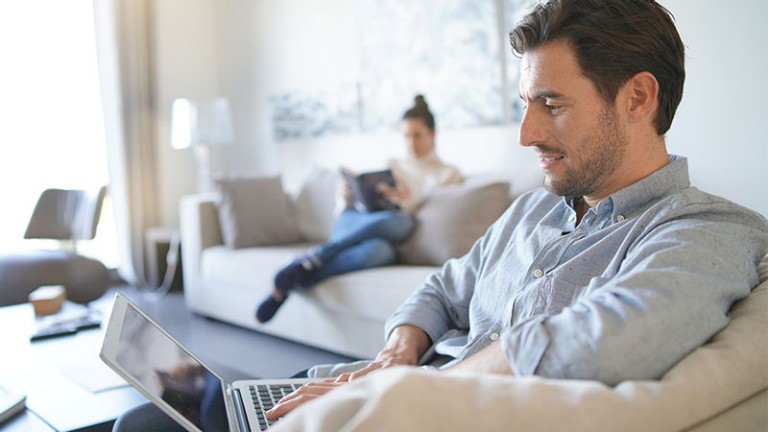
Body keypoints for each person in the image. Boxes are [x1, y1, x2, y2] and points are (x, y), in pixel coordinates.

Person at [266, 0, 768, 420]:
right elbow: (444, 289)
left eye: (552, 104)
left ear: (637, 98)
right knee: (213, 401)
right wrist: (397, 355)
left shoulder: (707, 229)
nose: (526, 134)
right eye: (526, 103)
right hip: (388, 391)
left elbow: (607, 340)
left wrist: (401, 394)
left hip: (415, 412)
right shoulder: (531, 210)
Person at [255, 95, 463, 323]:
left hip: (389, 231)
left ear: (432, 134)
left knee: (385, 247)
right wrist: (347, 195)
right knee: (400, 222)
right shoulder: (391, 164)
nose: (410, 143)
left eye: (417, 135)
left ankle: (295, 277)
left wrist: (406, 198)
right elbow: (356, 201)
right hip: (355, 221)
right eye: (405, 136)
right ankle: (315, 256)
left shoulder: (447, 174)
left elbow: (425, 209)